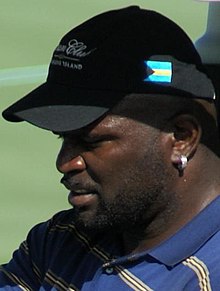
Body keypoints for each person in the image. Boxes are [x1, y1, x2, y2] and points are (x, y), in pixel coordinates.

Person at [1, 5, 220, 290]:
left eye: (90, 141)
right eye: (62, 138)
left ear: (181, 137)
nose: (66, 163)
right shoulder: (60, 240)